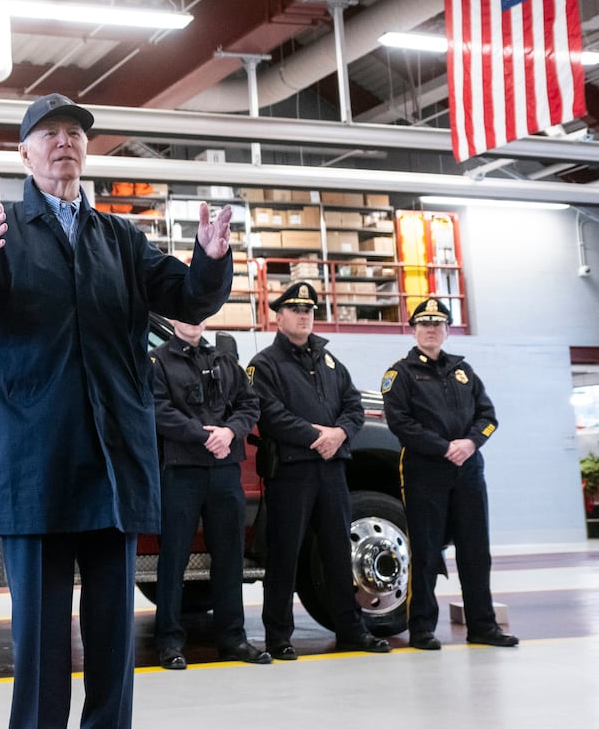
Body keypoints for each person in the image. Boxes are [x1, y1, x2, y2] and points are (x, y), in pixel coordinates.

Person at [0, 93, 234, 729]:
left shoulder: (120, 237)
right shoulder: (1, 229)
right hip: (41, 462)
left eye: (75, 132)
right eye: (50, 133)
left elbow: (191, 301)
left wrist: (209, 256)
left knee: (113, 635)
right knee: (40, 637)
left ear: (86, 149)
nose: (64, 141)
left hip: (112, 462)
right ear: (26, 151)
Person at [247, 282, 390, 660]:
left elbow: (354, 405)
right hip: (292, 472)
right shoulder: (264, 365)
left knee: (336, 553)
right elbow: (270, 414)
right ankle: (279, 636)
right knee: (284, 556)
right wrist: (316, 436)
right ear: (279, 317)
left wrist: (340, 433)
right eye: (295, 309)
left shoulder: (329, 361)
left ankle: (350, 629)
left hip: (331, 471)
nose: (305, 315)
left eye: (309, 309)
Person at [381, 297, 518, 650]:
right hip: (425, 472)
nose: (431, 330)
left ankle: (483, 626)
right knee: (426, 553)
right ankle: (422, 629)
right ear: (414, 330)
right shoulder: (400, 374)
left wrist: (470, 444)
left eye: (438, 324)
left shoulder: (465, 373)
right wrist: (445, 447)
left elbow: (489, 418)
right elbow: (401, 425)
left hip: (469, 471)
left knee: (476, 553)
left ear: (446, 330)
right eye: (424, 324)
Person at [150, 316, 268, 670]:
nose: (193, 319)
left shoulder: (224, 360)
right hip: (181, 470)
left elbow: (250, 405)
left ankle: (233, 638)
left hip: (224, 471)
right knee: (173, 559)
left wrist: (230, 432)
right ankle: (169, 642)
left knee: (230, 558)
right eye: (185, 312)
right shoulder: (158, 362)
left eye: (200, 312)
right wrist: (204, 436)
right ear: (172, 318)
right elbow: (158, 409)